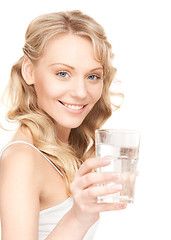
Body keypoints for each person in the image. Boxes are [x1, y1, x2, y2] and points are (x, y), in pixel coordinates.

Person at [0, 10, 126, 239]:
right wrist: (79, 217)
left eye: (92, 76)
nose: (80, 92)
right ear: (29, 71)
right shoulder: (22, 159)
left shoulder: (66, 151)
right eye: (62, 73)